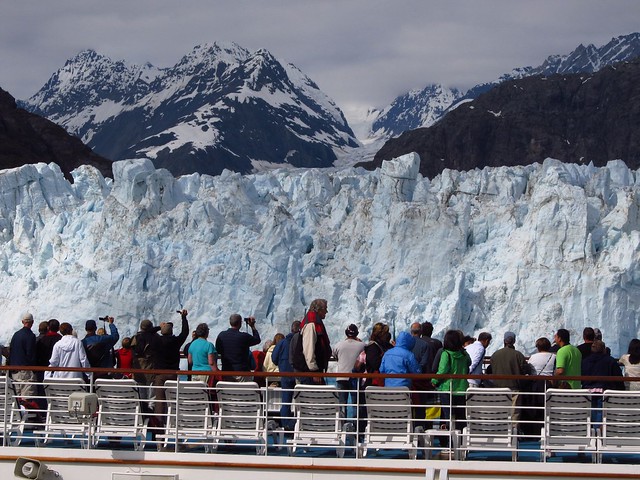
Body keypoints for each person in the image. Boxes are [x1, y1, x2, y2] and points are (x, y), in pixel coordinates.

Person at [432, 329, 471, 451]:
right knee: (460, 417)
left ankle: (447, 444)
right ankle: (460, 443)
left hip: (447, 389)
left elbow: (442, 370)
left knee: (447, 416)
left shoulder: (446, 354)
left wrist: (434, 381)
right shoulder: (464, 354)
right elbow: (469, 363)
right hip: (461, 389)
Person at [153, 309, 190, 422]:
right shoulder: (175, 341)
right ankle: (172, 422)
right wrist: (183, 317)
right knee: (172, 399)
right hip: (173, 374)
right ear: (171, 331)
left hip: (159, 374)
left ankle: (159, 423)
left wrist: (159, 327)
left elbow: (147, 332)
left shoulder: (156, 340)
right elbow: (185, 332)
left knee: (160, 400)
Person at [581, 340, 625, 424]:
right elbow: (618, 377)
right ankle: (599, 433)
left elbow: (582, 377)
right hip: (604, 391)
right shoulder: (610, 361)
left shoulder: (585, 361)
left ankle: (593, 432)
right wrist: (621, 390)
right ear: (604, 350)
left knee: (592, 413)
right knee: (601, 414)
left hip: (588, 391)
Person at [272, 320, 300, 429]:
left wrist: (282, 364)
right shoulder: (301, 341)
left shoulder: (282, 343)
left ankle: (285, 425)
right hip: (299, 375)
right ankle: (299, 425)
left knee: (286, 402)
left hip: (286, 375)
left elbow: (274, 358)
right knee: (301, 401)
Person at [215, 314, 260, 381]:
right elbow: (257, 339)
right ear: (240, 323)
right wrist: (252, 326)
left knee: (228, 391)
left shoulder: (221, 335)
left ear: (230, 322)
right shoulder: (243, 336)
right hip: (242, 373)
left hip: (227, 372)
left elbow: (218, 351)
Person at [333, 324, 365, 417]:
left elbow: (335, 357)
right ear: (357, 334)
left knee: (342, 404)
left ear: (346, 333)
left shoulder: (338, 345)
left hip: (341, 378)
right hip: (355, 379)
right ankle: (356, 427)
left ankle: (343, 426)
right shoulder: (362, 345)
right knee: (356, 404)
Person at [298, 299, 332, 384]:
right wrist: (314, 370)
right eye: (325, 309)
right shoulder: (311, 324)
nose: (326, 312)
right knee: (316, 396)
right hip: (312, 373)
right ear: (319, 310)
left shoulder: (315, 322)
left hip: (315, 371)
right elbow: (309, 348)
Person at [8, 313, 37, 398]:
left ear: (22, 322)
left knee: (16, 397)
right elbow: (30, 354)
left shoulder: (16, 335)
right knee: (27, 398)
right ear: (32, 322)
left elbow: (11, 351)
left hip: (14, 370)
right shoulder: (31, 336)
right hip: (26, 371)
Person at [131, 319, 161, 397]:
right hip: (151, 367)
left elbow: (132, 351)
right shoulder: (156, 337)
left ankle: (142, 406)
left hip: (138, 367)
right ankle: (150, 407)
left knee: (141, 390)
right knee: (151, 390)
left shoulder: (136, 337)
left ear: (141, 327)